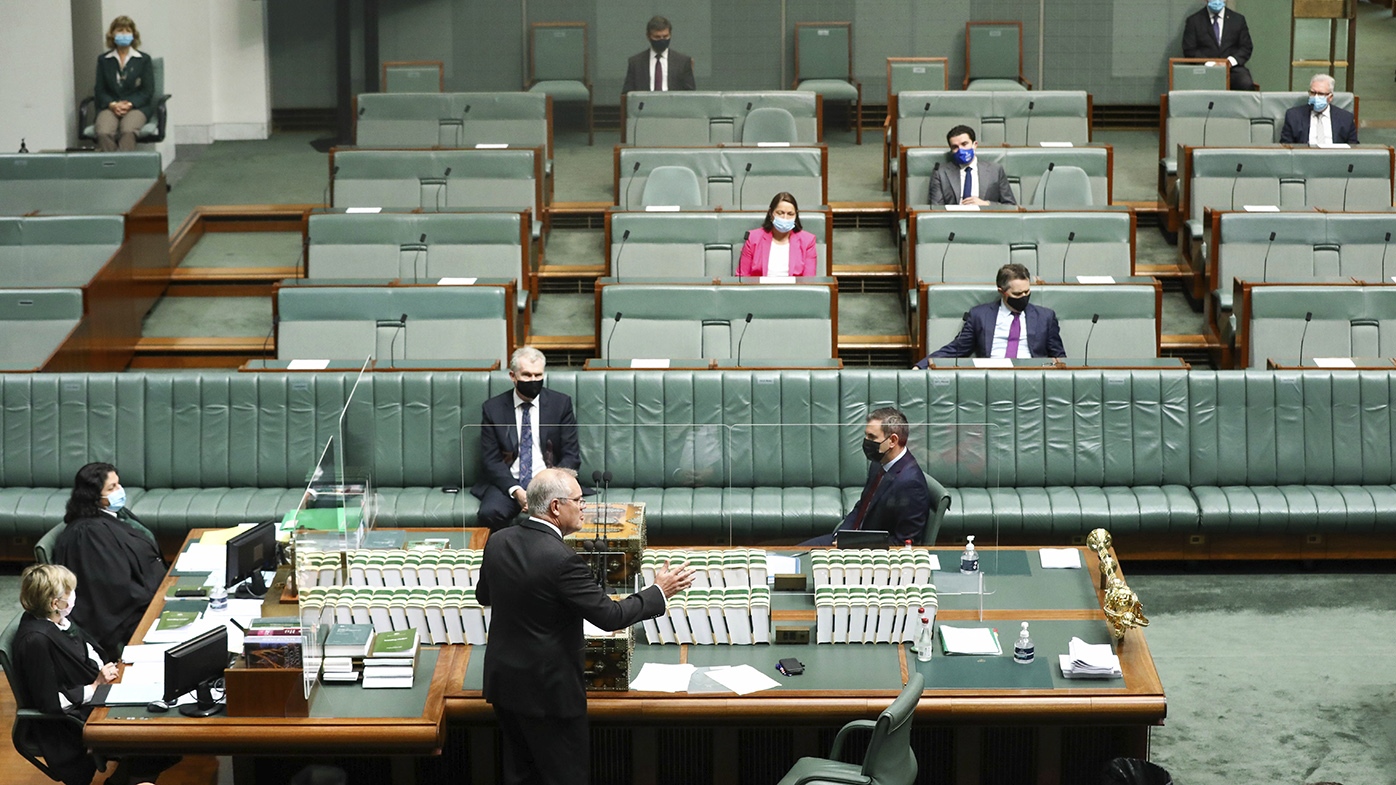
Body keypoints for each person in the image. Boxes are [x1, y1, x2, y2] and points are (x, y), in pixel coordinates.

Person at [476, 467, 695, 785]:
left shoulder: (499, 540)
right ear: (555, 507)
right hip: (550, 696)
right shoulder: (563, 560)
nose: (584, 507)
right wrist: (659, 591)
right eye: (578, 501)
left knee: (520, 775)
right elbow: (610, 617)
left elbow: (485, 595)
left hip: (506, 687)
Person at [10, 564, 176, 785]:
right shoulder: (36, 641)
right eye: (70, 591)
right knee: (156, 739)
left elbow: (89, 652)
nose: (75, 595)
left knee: (162, 729)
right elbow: (49, 703)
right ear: (55, 603)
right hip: (71, 722)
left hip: (100, 694)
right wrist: (94, 687)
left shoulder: (59, 620)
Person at [52, 462, 166, 656]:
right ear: (93, 495)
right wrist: (157, 600)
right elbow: (114, 588)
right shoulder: (87, 534)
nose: (119, 491)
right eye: (111, 488)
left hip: (153, 592)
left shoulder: (115, 514)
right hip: (126, 617)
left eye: (118, 485)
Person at [471, 347, 581, 531]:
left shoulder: (560, 404)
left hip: (549, 485)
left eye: (538, 375)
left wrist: (549, 487)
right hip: (510, 484)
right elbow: (491, 460)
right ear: (513, 376)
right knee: (489, 512)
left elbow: (571, 455)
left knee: (566, 512)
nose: (533, 381)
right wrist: (517, 491)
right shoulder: (493, 408)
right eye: (527, 375)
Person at [800, 408, 932, 547]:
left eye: (872, 437)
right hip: (852, 540)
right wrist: (842, 534)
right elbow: (862, 506)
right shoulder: (880, 463)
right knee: (796, 555)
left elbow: (903, 544)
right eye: (866, 436)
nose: (866, 441)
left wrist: (852, 544)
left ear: (892, 440)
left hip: (870, 554)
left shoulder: (910, 484)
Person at [916, 263, 1065, 364]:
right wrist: (922, 365)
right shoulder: (980, 315)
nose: (1024, 296)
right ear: (1002, 292)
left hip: (1033, 377)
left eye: (1027, 291)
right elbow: (956, 349)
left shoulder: (1045, 317)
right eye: (1018, 294)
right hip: (991, 377)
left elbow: (1059, 357)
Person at [93, 16, 155, 152]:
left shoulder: (143, 60)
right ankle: (111, 169)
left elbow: (147, 91)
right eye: (120, 31)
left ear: (134, 35)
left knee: (127, 131)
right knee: (103, 132)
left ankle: (125, 169)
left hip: (136, 107)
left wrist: (129, 104)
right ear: (112, 34)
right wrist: (113, 104)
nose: (124, 34)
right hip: (110, 107)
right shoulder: (104, 60)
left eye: (128, 31)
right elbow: (100, 90)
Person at [928, 125, 1016, 207]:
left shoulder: (995, 170)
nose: (960, 150)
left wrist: (986, 204)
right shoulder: (940, 173)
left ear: (974, 145)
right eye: (955, 147)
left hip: (986, 220)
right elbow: (937, 209)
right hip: (954, 220)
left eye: (964, 144)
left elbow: (1010, 206)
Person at [736, 192, 819, 277]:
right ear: (770, 213)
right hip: (760, 289)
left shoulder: (808, 241)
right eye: (780, 213)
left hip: (794, 289)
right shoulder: (753, 238)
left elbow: (809, 281)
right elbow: (742, 277)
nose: (785, 218)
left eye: (790, 214)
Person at [1181, 0, 1255, 91]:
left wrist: (1229, 62)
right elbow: (1189, 50)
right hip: (1204, 69)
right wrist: (1211, 64)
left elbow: (1246, 47)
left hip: (1232, 69)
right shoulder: (1194, 21)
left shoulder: (1238, 20)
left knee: (1245, 83)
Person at [621, 16, 696, 94]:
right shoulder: (636, 63)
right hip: (646, 104)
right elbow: (627, 94)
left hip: (673, 104)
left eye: (665, 36)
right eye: (657, 37)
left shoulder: (682, 62)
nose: (662, 40)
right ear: (648, 36)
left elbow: (690, 93)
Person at [1280, 74, 1358, 146]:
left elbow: (1353, 148)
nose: (1316, 97)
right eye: (1313, 93)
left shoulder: (1346, 118)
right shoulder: (1293, 116)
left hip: (1334, 159)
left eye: (1321, 94)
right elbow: (1286, 147)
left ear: (1330, 97)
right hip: (1305, 159)